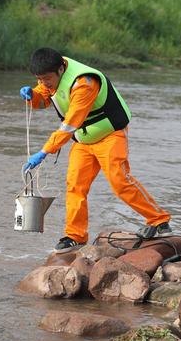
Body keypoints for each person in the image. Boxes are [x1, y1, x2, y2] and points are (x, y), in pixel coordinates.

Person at [19, 47, 172, 252]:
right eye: (39, 79)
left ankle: (159, 220)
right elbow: (45, 97)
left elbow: (70, 123)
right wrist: (33, 96)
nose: (44, 82)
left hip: (110, 136)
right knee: (75, 186)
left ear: (61, 69)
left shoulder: (85, 84)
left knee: (120, 181)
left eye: (46, 78)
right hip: (83, 141)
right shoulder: (50, 70)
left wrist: (44, 151)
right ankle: (75, 236)